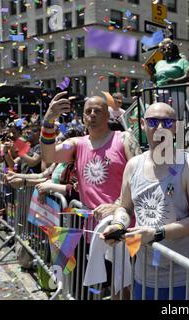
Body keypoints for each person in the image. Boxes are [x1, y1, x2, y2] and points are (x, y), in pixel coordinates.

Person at [41, 92, 142, 297]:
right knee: (96, 288)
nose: (93, 114)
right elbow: (49, 154)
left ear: (108, 115)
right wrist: (49, 120)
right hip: (91, 234)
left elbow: (141, 177)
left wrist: (118, 206)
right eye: (88, 111)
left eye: (98, 111)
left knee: (125, 289)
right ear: (83, 117)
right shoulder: (77, 144)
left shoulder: (124, 138)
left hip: (125, 229)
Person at [102, 102, 189, 300]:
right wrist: (118, 224)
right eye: (152, 122)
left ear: (175, 127)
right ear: (142, 124)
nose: (159, 128)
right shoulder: (133, 165)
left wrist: (156, 233)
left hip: (186, 276)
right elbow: (125, 207)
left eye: (167, 122)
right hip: (145, 275)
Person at [153, 39, 189, 120]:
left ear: (175, 51)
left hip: (176, 92)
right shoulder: (159, 63)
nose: (166, 51)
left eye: (169, 49)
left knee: (175, 117)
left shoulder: (182, 61)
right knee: (161, 116)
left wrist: (175, 81)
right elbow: (155, 79)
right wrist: (151, 75)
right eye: (164, 49)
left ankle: (177, 132)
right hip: (160, 92)